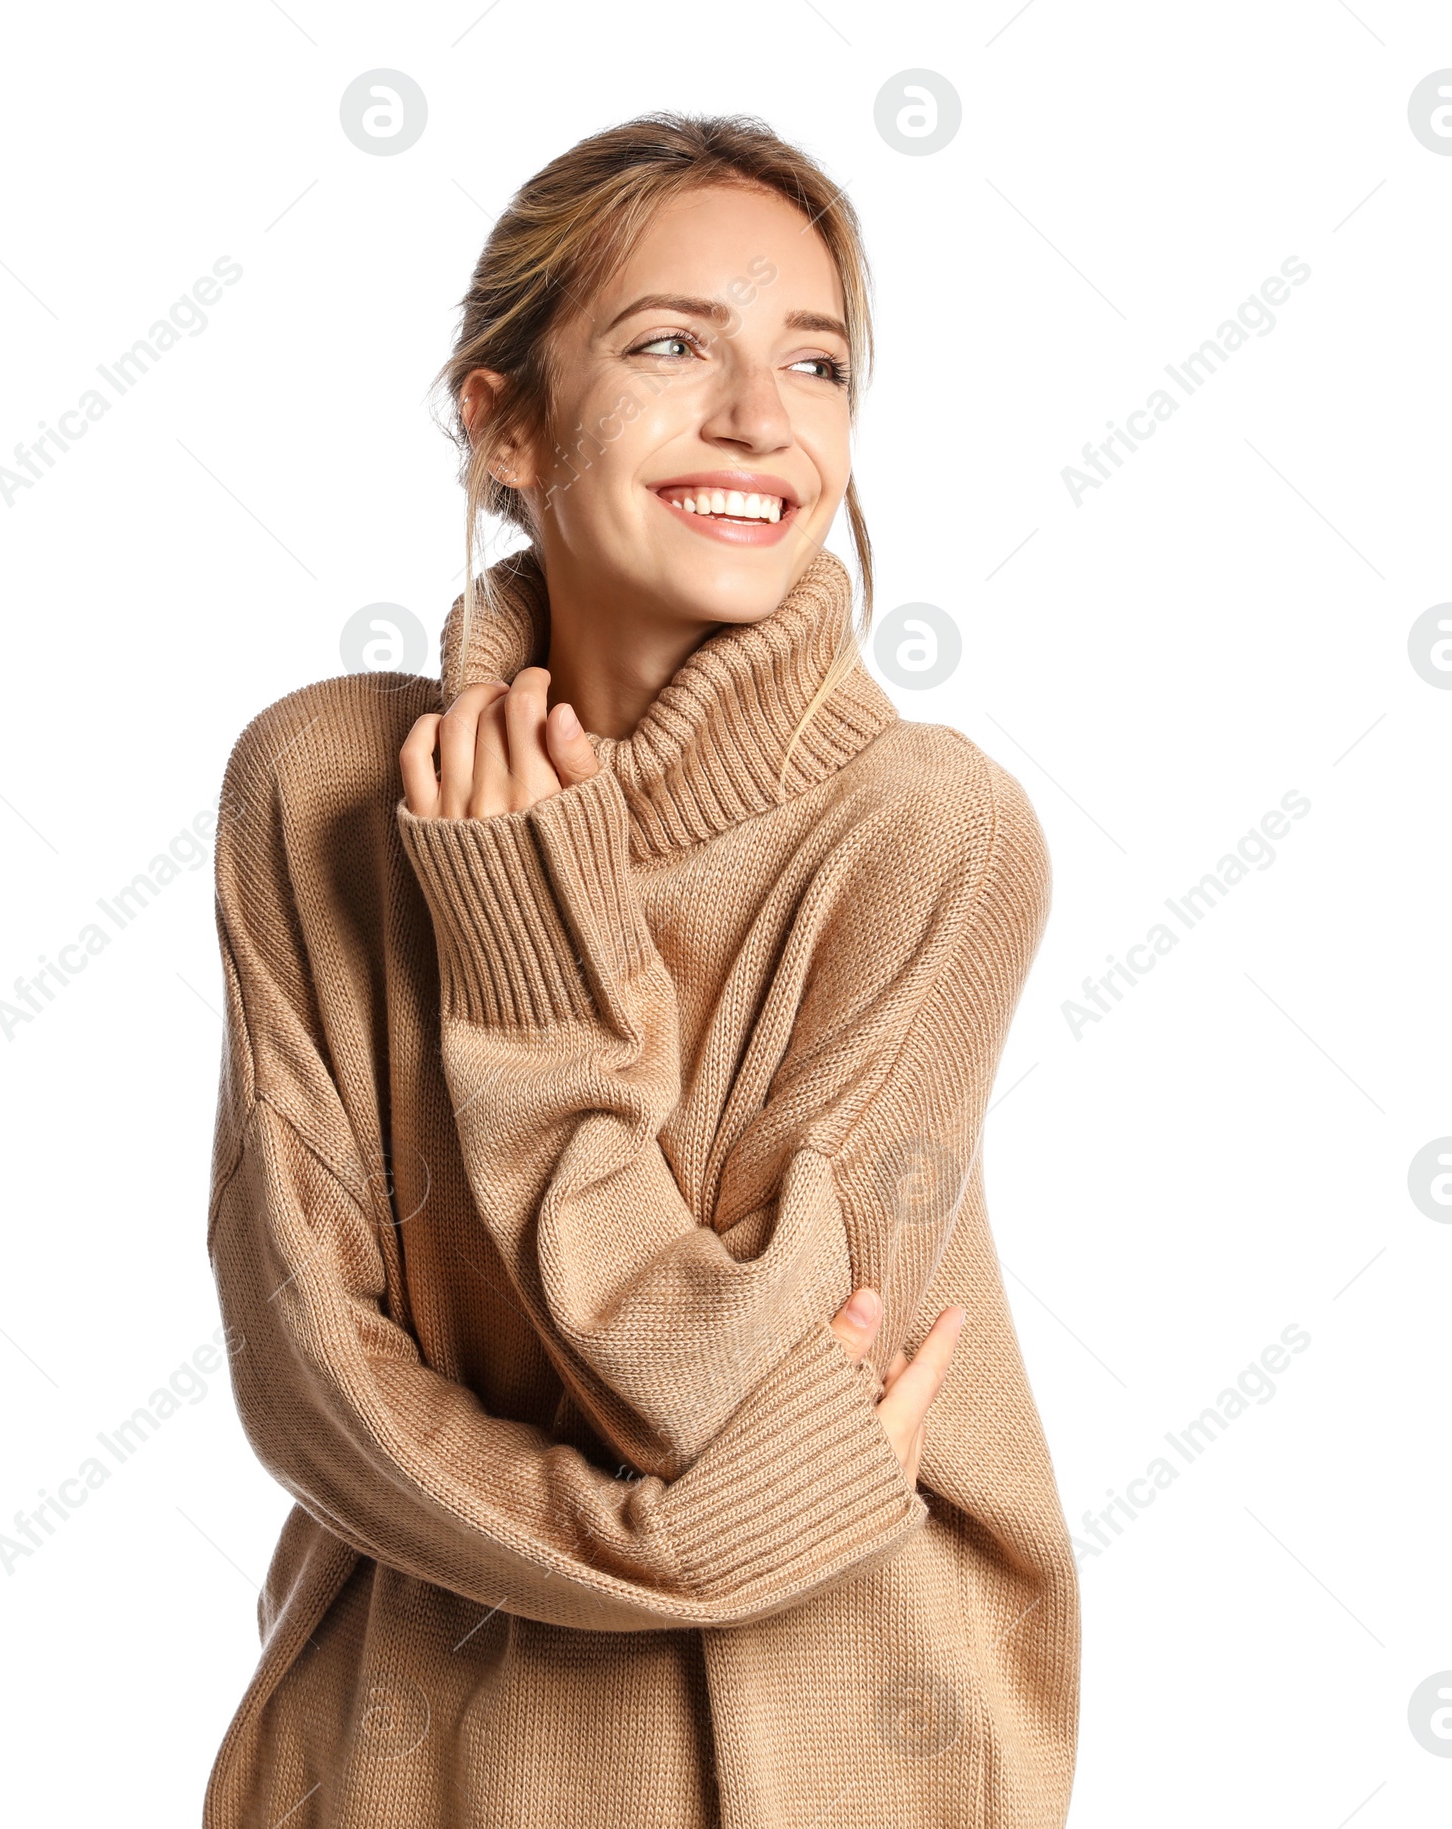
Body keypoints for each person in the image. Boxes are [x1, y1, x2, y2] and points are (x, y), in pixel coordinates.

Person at [202, 111, 1078, 1828]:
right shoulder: (313, 787)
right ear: (503, 416)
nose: (762, 419)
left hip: (820, 1750)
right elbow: (311, 1367)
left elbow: (736, 1377)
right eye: (675, 344)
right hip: (396, 1760)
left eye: (816, 364)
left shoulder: (929, 832)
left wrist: (530, 978)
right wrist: (682, 1543)